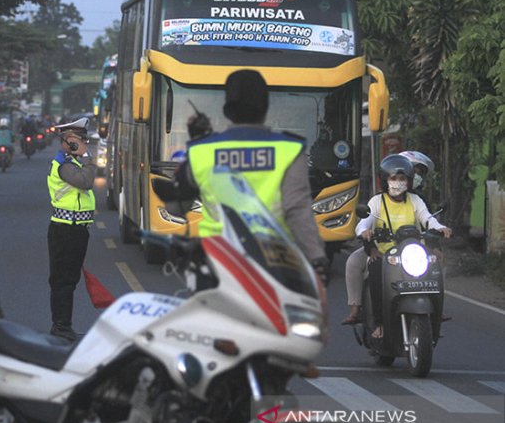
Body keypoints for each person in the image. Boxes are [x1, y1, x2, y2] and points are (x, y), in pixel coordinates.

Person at [167, 70, 329, 280]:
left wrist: (196, 146)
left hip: (216, 264)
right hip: (277, 266)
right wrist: (317, 260)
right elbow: (297, 211)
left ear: (227, 111)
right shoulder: (289, 150)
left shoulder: (201, 151)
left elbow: (176, 206)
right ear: (266, 108)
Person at [349, 154, 451, 338]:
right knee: (375, 270)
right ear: (385, 180)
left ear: (409, 181)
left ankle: (435, 318)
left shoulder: (415, 200)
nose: (398, 182)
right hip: (383, 253)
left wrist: (440, 227)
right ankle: (378, 322)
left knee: (434, 265)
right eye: (393, 178)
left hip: (412, 252)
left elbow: (427, 218)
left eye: (402, 179)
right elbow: (364, 222)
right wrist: (364, 231)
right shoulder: (377, 201)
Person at [46, 116, 97, 341]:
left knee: (69, 279)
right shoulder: (64, 166)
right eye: (80, 140)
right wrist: (87, 158)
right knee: (63, 280)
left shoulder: (72, 162)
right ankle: (61, 326)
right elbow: (85, 182)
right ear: (70, 142)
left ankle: (63, 325)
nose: (85, 144)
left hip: (75, 230)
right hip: (65, 231)